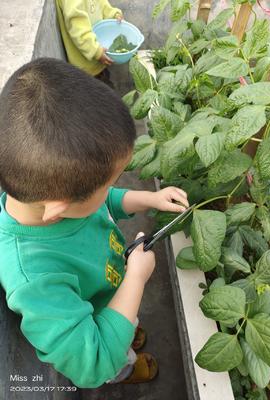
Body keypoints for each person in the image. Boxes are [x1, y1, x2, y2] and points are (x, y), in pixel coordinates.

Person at [0, 58, 189, 388]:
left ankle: (128, 330)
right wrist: (136, 278)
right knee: (118, 354)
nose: (114, 187)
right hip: (104, 325)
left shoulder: (52, 195)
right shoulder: (34, 281)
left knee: (126, 324)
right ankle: (129, 370)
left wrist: (148, 199)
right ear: (58, 209)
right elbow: (95, 359)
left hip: (113, 288)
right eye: (110, 182)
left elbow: (101, 203)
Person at [56, 0, 123, 81]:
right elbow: (77, 26)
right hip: (86, 66)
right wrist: (96, 51)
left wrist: (113, 15)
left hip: (99, 54)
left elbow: (101, 3)